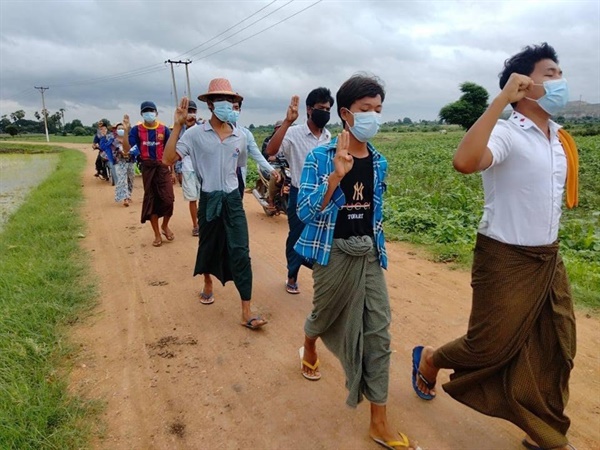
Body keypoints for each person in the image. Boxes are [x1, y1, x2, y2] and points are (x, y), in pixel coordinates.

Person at [413, 43, 578, 450]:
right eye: (551, 74)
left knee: (557, 345)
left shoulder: (559, 138)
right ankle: (430, 359)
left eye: (560, 73)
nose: (560, 81)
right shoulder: (506, 132)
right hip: (505, 258)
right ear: (525, 83)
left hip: (547, 258)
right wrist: (501, 101)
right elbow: (465, 162)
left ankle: (544, 433)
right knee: (488, 345)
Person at [294, 74, 418, 450]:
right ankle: (310, 343)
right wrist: (336, 177)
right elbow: (303, 210)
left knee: (379, 333)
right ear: (346, 114)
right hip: (332, 253)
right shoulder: (320, 157)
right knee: (324, 313)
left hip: (367, 254)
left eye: (378, 110)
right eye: (366, 110)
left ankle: (378, 421)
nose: (373, 117)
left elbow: (373, 213)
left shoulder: (380, 162)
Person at [163, 78, 267, 330]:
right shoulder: (195, 135)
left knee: (241, 251)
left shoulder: (240, 136)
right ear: (210, 104)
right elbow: (168, 158)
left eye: (230, 100)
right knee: (208, 245)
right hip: (209, 197)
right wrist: (177, 127)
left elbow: (240, 165)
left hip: (232, 199)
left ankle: (246, 311)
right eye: (220, 100)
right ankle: (208, 282)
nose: (227, 104)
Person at [265, 88, 333, 295]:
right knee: (296, 235)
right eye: (321, 108)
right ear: (309, 110)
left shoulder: (328, 136)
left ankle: (320, 275)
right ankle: (292, 275)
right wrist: (286, 122)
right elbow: (271, 151)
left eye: (328, 109)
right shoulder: (293, 133)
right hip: (299, 194)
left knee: (321, 235)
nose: (325, 112)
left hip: (323, 195)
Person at [123, 101, 174, 247]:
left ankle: (165, 225)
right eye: (146, 111)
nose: (149, 113)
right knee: (151, 201)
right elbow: (128, 149)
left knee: (168, 199)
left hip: (162, 167)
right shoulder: (136, 131)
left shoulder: (164, 130)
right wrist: (126, 131)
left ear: (156, 113)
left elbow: (170, 151)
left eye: (151, 111)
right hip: (147, 168)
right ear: (141, 114)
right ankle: (157, 234)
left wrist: (173, 171)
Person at [228, 100, 280, 200]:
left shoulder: (245, 134)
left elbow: (257, 154)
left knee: (236, 210)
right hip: (218, 183)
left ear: (240, 110)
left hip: (238, 179)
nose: (233, 111)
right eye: (230, 108)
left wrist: (271, 170)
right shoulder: (214, 134)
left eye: (236, 108)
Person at [111, 122, 136, 207]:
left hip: (130, 161)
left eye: (122, 128)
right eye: (119, 128)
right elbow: (113, 151)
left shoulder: (130, 139)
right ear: (116, 130)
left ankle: (128, 195)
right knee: (122, 179)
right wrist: (121, 152)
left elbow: (135, 148)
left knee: (130, 178)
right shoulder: (114, 141)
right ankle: (125, 198)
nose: (120, 130)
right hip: (120, 162)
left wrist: (130, 152)